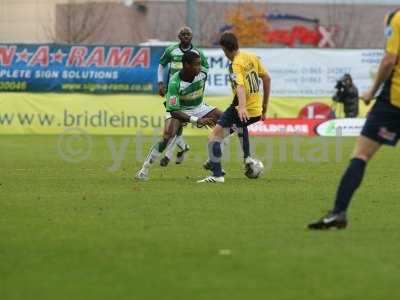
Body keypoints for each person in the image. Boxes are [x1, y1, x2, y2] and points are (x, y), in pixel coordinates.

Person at [308, 9, 400, 229]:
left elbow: (389, 61)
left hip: (394, 101)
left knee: (360, 155)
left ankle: (339, 213)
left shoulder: (397, 18)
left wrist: (371, 91)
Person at [198, 31, 271, 183]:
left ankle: (217, 175)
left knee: (214, 136)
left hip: (241, 107)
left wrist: (242, 107)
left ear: (224, 49)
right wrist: (264, 106)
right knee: (238, 127)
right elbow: (267, 78)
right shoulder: (251, 57)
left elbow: (240, 86)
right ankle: (247, 158)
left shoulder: (235, 64)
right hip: (255, 110)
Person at [136, 51, 221, 180]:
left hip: (199, 107)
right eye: (196, 65)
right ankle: (144, 169)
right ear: (186, 65)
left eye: (200, 64)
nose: (200, 67)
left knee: (227, 120)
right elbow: (174, 111)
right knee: (167, 136)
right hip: (179, 109)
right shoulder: (175, 83)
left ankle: (218, 160)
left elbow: (202, 58)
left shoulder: (203, 73)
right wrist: (196, 120)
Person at [157, 26, 209, 167]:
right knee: (174, 124)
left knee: (174, 125)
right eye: (183, 34)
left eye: (188, 34)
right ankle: (180, 148)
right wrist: (160, 82)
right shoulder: (171, 50)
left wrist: (199, 88)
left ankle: (168, 155)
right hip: (174, 91)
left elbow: (205, 71)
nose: (186, 36)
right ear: (178, 36)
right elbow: (161, 65)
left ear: (192, 37)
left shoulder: (198, 53)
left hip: (189, 93)